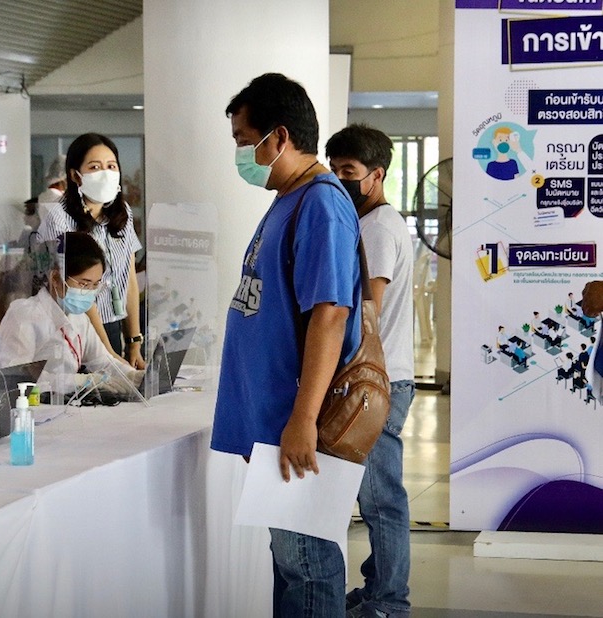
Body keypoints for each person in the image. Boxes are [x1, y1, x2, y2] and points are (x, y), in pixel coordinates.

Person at [210, 73, 362, 617]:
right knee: (290, 565)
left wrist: (303, 418)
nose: (240, 152)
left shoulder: (321, 204)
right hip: (274, 419)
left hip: (296, 423)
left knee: (309, 567)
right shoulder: (289, 197)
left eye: (242, 139)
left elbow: (331, 315)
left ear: (278, 137)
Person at [326, 123, 415, 618]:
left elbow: (367, 310)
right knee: (376, 496)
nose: (341, 180)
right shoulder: (377, 222)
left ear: (376, 175)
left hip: (376, 381)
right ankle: (379, 586)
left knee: (382, 500)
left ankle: (389, 601)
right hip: (382, 377)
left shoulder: (377, 226)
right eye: (335, 169)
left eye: (350, 172)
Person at [37, 134, 146, 369]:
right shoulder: (60, 219)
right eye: (95, 167)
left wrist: (134, 341)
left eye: (111, 166)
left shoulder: (120, 213)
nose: (105, 173)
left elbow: (129, 279)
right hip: (77, 328)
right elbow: (78, 287)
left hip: (113, 324)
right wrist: (107, 353)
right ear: (77, 175)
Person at [0, 231, 138, 394]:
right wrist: (82, 381)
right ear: (55, 278)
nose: (90, 292)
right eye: (84, 284)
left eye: (96, 285)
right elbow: (15, 377)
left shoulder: (79, 318)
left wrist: (134, 377)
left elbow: (104, 362)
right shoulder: (24, 316)